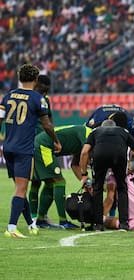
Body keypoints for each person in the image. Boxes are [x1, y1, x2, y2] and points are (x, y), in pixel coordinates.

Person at [0, 64, 61, 238]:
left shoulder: (8, 95)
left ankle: (30, 224)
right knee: (21, 188)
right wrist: (56, 141)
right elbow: (46, 124)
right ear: (35, 80)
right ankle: (11, 228)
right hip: (24, 149)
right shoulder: (37, 98)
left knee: (21, 188)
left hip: (8, 147)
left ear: (20, 78)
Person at [80, 119, 134, 231]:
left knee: (97, 189)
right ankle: (124, 224)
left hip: (100, 155)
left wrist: (83, 173)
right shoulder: (124, 131)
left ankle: (98, 224)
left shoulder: (95, 132)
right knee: (122, 188)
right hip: (119, 156)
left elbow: (84, 152)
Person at [32, 125, 92, 229]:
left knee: (50, 183)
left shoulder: (86, 139)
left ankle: (41, 220)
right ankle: (63, 222)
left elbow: (75, 165)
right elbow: (86, 154)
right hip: (44, 145)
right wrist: (86, 177)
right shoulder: (87, 133)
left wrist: (85, 180)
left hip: (42, 144)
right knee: (59, 181)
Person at [28, 74, 55, 222]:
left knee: (39, 181)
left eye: (47, 91)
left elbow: (50, 121)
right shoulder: (32, 99)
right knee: (48, 181)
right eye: (43, 90)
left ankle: (36, 217)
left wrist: (53, 138)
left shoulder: (45, 100)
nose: (44, 93)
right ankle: (38, 217)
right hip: (34, 143)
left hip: (43, 143)